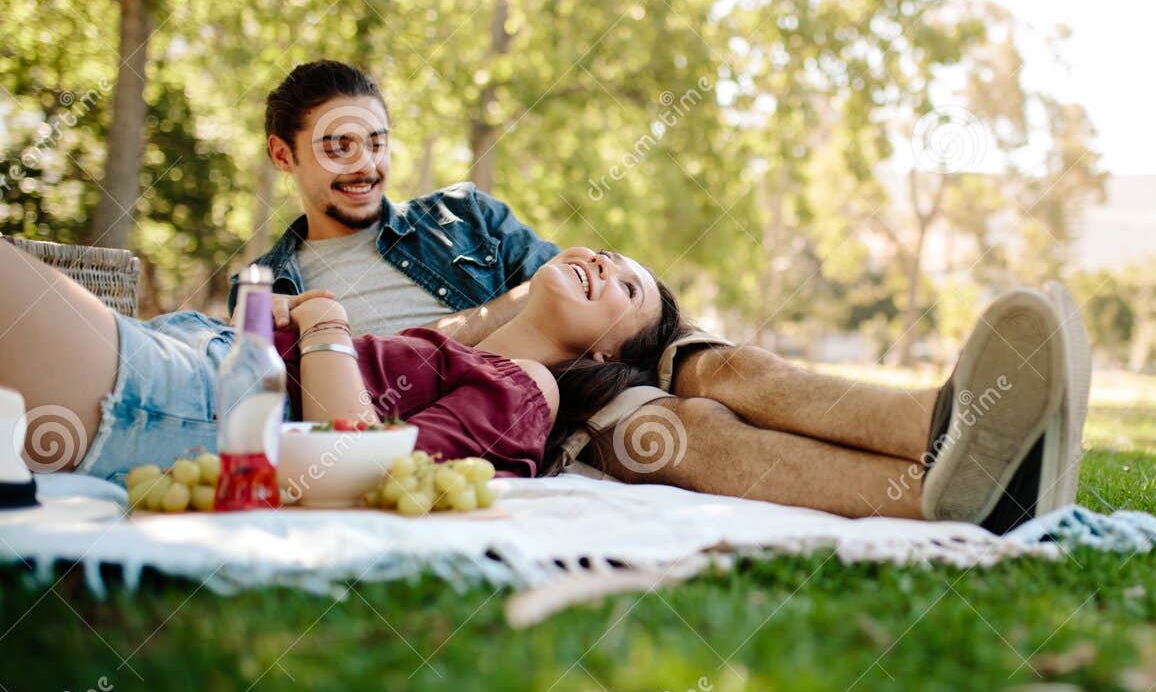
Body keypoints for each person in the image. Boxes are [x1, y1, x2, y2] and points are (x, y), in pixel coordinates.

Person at [234, 61, 1091, 532]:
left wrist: (683, 345)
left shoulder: (463, 214)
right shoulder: (280, 287)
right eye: (339, 146)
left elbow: (569, 283)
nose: (366, 165)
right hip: (479, 406)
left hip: (563, 355)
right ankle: (953, 491)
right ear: (286, 157)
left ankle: (939, 423)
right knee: (671, 434)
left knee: (720, 373)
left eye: (377, 141)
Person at [0, 236, 681, 481]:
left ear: (608, 352)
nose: (601, 261)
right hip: (191, 351)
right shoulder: (464, 347)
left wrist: (323, 320)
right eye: (606, 253)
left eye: (627, 285)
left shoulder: (530, 390)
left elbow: (360, 462)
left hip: (198, 403)